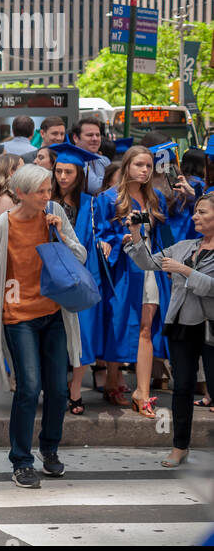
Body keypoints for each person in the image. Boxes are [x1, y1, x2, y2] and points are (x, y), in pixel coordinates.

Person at [0, 163, 85, 488]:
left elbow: (79, 257)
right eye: (41, 192)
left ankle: (49, 449)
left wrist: (60, 236)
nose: (48, 196)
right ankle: (21, 460)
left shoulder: (55, 215)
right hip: (18, 316)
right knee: (28, 387)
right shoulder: (0, 226)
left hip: (53, 314)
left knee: (59, 389)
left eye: (49, 190)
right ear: (20, 193)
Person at [124, 192, 214, 467]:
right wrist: (137, 235)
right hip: (182, 326)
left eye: (202, 212)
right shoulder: (185, 246)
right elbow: (148, 262)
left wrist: (184, 272)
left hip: (211, 328)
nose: (196, 216)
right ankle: (179, 446)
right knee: (182, 387)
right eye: (196, 211)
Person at [94, 144, 172, 417]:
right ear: (126, 166)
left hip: (149, 267)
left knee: (146, 327)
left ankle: (141, 391)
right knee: (118, 321)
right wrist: (122, 236)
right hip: (124, 267)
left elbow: (164, 235)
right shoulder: (108, 198)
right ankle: (113, 380)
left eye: (149, 166)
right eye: (139, 165)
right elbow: (101, 235)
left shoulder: (156, 198)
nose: (144, 170)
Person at [48, 143, 109, 414]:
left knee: (82, 334)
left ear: (79, 174)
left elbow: (104, 233)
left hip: (80, 274)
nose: (62, 177)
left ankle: (75, 389)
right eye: (59, 171)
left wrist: (106, 243)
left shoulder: (92, 204)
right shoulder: (46, 200)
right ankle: (55, 387)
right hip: (49, 274)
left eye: (68, 172)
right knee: (53, 334)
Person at [70, 116, 108, 195]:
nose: (95, 139)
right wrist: (108, 182)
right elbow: (95, 188)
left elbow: (119, 185)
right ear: (75, 138)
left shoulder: (104, 160)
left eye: (98, 135)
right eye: (89, 135)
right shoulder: (71, 160)